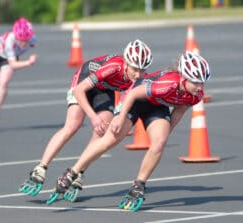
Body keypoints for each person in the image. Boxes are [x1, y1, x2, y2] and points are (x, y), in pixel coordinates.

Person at [48, 51, 211, 211]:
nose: (199, 87)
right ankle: (72, 172)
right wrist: (119, 117)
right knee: (110, 140)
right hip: (135, 100)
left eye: (202, 82)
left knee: (159, 142)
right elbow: (132, 94)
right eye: (196, 82)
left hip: (156, 107)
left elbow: (179, 110)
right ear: (183, 78)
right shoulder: (166, 84)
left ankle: (138, 185)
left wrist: (167, 131)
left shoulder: (196, 95)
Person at [19, 39, 153, 198]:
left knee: (102, 131)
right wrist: (93, 116)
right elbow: (79, 91)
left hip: (105, 89)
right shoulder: (113, 68)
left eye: (142, 70)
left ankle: (79, 173)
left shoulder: (139, 80)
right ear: (126, 63)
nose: (138, 74)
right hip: (85, 81)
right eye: (135, 69)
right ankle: (40, 168)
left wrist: (121, 121)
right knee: (73, 125)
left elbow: (128, 103)